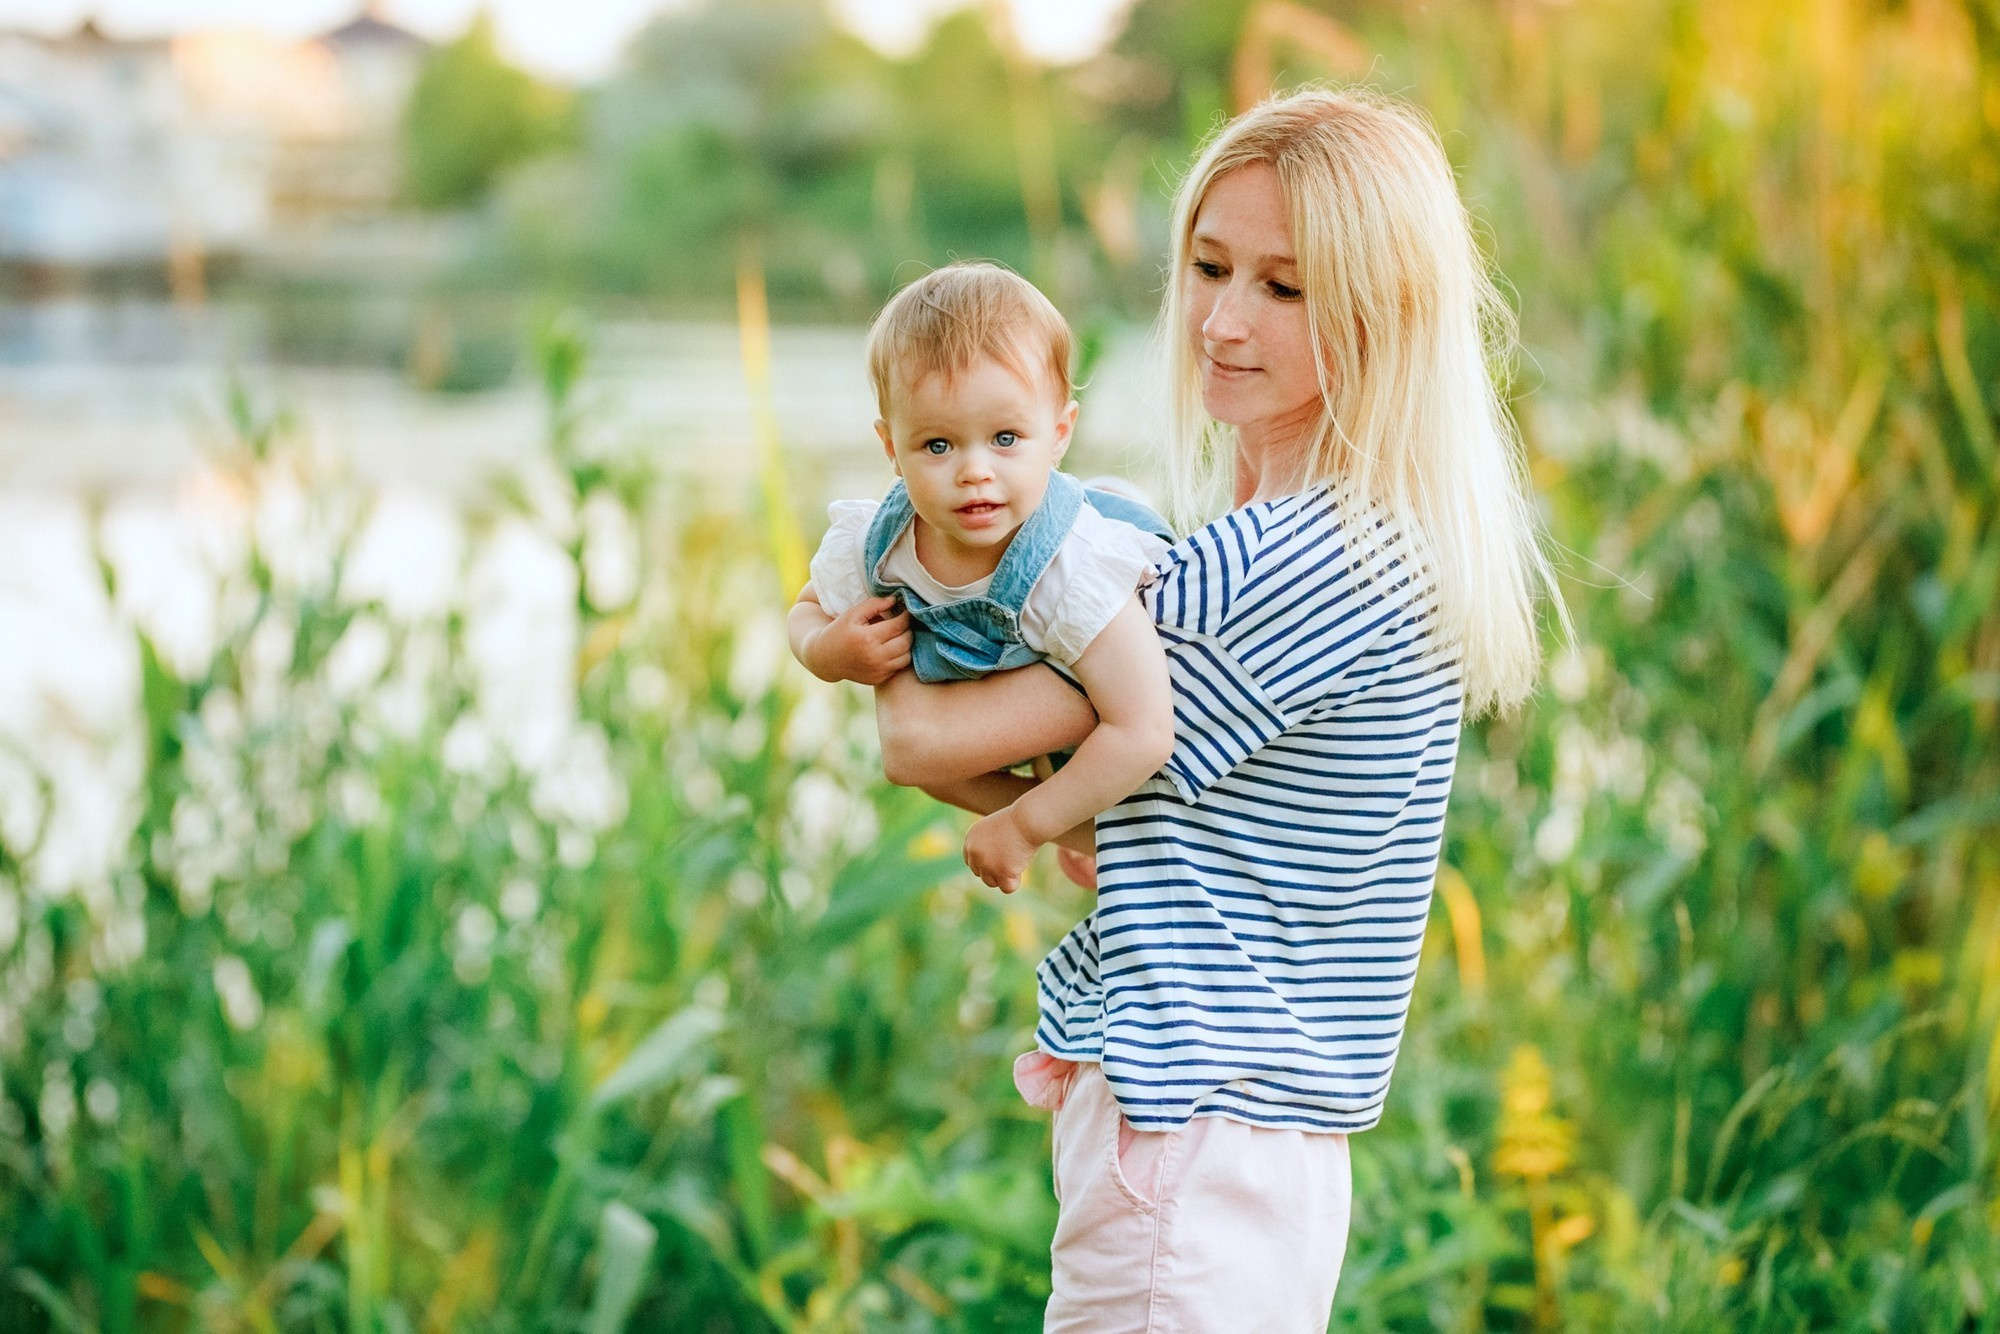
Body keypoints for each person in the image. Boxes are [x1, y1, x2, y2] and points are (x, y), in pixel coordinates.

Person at [872, 89, 1561, 1331]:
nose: (1223, 320)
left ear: (1380, 311)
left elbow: (919, 737)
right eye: (1207, 266)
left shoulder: (1276, 566)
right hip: (1253, 1146)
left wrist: (862, 615)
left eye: (1284, 288)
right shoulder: (1370, 541)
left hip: (1194, 1136)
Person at [787, 262, 1179, 893]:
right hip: (1000, 687)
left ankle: (1090, 825)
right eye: (937, 445)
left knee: (1094, 740)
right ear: (891, 447)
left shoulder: (1072, 569)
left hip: (1093, 690)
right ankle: (1079, 831)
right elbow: (806, 609)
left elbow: (1144, 728)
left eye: (1004, 438)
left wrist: (1023, 825)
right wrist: (826, 650)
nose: (973, 471)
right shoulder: (880, 542)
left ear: (1057, 435)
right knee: (931, 765)